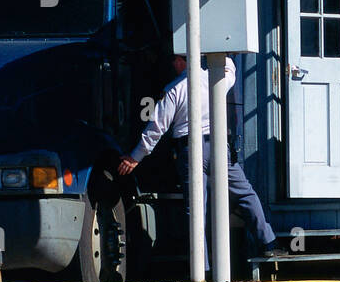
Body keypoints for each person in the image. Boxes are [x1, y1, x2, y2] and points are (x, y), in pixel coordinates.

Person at [118, 55, 283, 267]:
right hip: (218, 146)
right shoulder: (216, 80)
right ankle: (268, 243)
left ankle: (201, 267)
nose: (172, 64)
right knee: (245, 194)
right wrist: (217, 51)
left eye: (174, 60)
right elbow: (231, 68)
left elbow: (157, 127)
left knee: (195, 210)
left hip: (190, 151)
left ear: (180, 60)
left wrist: (135, 157)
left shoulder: (174, 89)